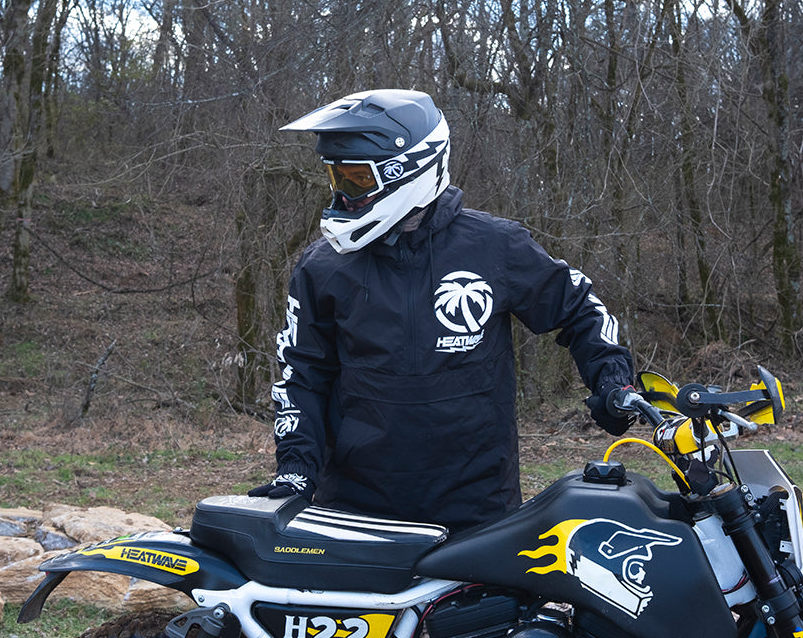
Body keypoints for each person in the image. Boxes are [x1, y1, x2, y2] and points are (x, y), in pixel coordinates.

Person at [249, 89, 636, 533]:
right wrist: (296, 472)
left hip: (477, 506)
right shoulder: (323, 267)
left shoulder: (495, 246)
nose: (345, 197)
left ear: (410, 171)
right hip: (357, 507)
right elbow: (301, 376)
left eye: (357, 180)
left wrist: (612, 378)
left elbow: (579, 307)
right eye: (337, 180)